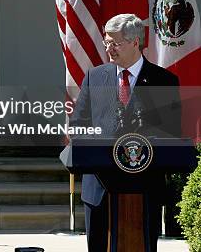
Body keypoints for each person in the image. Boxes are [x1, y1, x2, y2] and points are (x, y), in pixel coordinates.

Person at [70, 13, 181, 252]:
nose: (109, 48)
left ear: (135, 42)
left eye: (116, 43)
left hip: (144, 188)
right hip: (100, 188)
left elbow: (172, 132)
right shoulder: (95, 77)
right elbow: (78, 124)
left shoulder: (164, 81)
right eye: (106, 42)